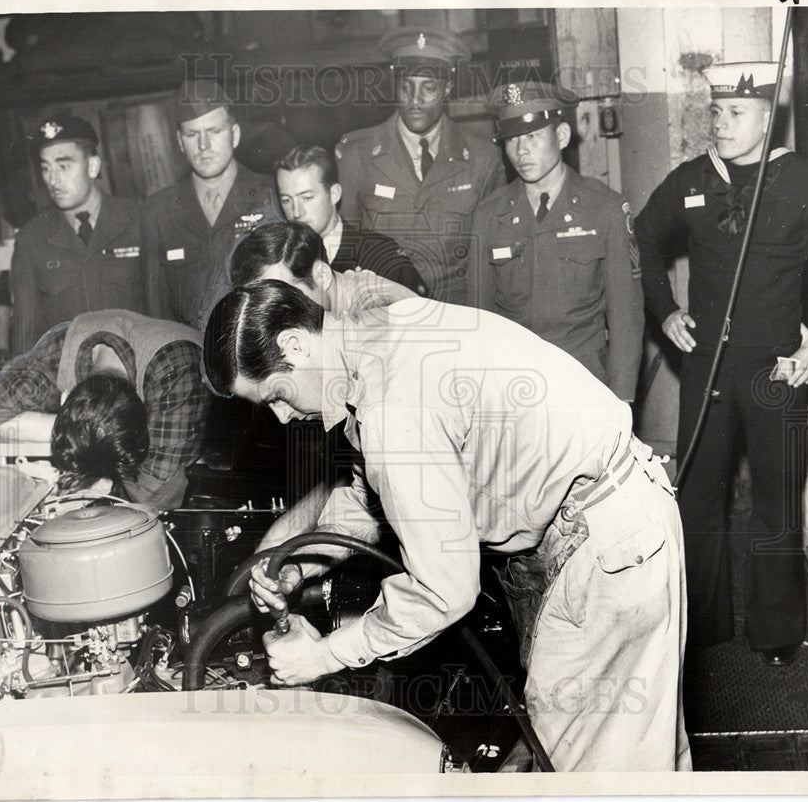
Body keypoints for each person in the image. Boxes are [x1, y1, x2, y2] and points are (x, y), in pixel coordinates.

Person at [202, 280, 690, 772]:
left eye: (276, 397)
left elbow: (445, 589)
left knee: (594, 777)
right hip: (618, 520)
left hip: (605, 547)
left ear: (295, 343)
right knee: (643, 754)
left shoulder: (393, 403)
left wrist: (325, 655)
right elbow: (372, 491)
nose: (284, 418)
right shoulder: (381, 332)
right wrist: (302, 563)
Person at [635, 62, 808, 665]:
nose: (722, 123)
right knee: (698, 499)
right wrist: (665, 311)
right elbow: (643, 239)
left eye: (737, 113)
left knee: (776, 501)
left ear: (768, 116)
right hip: (706, 368)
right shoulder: (690, 179)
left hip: (777, 370)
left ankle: (778, 632)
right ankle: (702, 626)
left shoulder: (803, 182)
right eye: (716, 111)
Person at [471, 82, 645, 403]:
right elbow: (479, 317)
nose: (520, 151)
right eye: (511, 140)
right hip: (513, 387)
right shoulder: (489, 214)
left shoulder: (604, 209)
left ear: (562, 137)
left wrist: (622, 401)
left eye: (532, 136)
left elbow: (625, 315)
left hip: (585, 380)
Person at [0, 309, 210, 510]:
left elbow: (155, 498)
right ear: (67, 398)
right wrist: (68, 431)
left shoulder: (178, 372)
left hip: (212, 475)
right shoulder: (63, 347)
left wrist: (32, 427)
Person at [336, 27, 504, 305]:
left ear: (448, 88)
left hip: (460, 315)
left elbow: (494, 254)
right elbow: (344, 251)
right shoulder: (358, 155)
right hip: (386, 315)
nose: (415, 100)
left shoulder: (483, 158)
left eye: (428, 88)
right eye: (406, 87)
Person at [142, 78, 281, 330]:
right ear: (179, 141)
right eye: (192, 134)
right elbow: (156, 309)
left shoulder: (272, 194)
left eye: (214, 132)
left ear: (234, 135)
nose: (203, 146)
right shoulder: (159, 212)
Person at [10, 116, 146, 356]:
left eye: (63, 166)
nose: (53, 180)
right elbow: (25, 337)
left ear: (92, 166)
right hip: (71, 383)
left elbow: (165, 311)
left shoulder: (140, 221)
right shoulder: (32, 240)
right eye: (45, 168)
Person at [274, 145, 428, 296]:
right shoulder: (278, 262)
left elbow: (423, 313)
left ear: (334, 194)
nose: (296, 212)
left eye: (307, 198)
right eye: (286, 200)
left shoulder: (379, 254)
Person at [228, 222, 418, 323]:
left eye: (286, 299)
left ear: (323, 276)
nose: (278, 317)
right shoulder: (336, 299)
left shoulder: (375, 312)